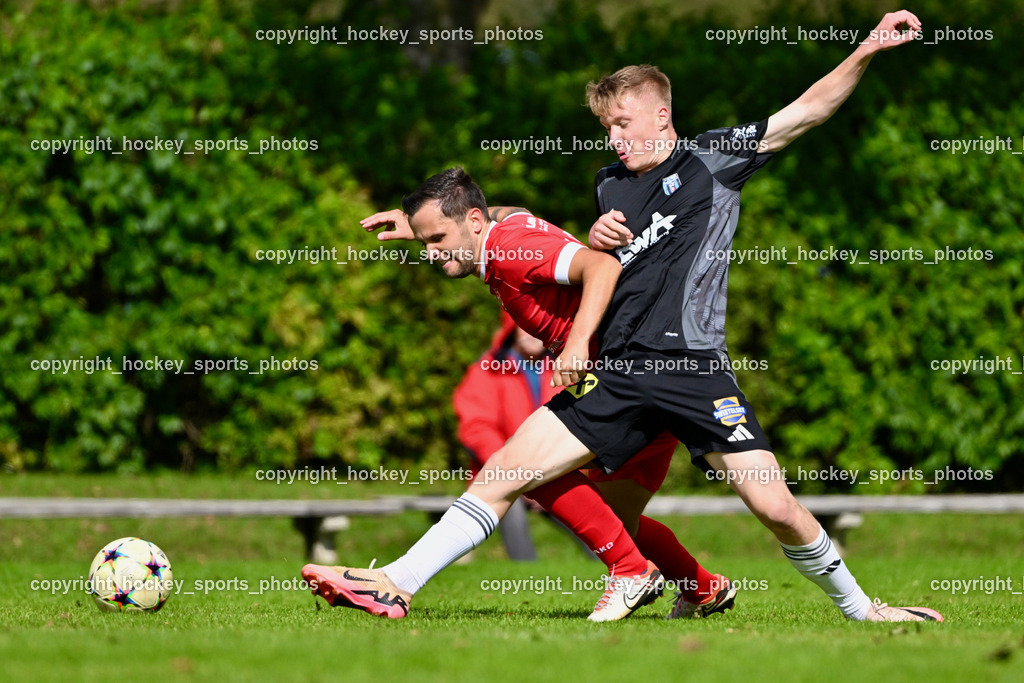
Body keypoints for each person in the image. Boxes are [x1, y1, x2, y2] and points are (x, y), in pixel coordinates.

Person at [304, 9, 941, 623]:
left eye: (623, 123)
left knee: (775, 508)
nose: (614, 138)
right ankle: (396, 584)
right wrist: (428, 227)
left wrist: (867, 49)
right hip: (620, 370)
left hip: (692, 368)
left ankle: (863, 609)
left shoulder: (712, 160)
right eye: (607, 126)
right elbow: (508, 223)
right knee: (511, 473)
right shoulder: (610, 183)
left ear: (662, 116)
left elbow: (808, 111)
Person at [305, 181, 732, 621]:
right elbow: (505, 210)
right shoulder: (504, 228)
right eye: (426, 241)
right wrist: (423, 226)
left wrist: (577, 343)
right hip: (652, 380)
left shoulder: (510, 249)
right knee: (616, 519)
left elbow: (602, 266)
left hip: (622, 379)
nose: (430, 252)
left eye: (438, 238)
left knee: (517, 469)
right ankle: (702, 588)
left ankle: (397, 583)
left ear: (474, 221)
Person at [453, 317, 554, 561]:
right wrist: (517, 476)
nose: (532, 334)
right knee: (507, 504)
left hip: (554, 473)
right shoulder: (488, 368)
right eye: (525, 326)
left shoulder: (566, 366)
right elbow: (476, 429)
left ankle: (617, 569)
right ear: (512, 329)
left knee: (592, 517)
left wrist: (549, 476)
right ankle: (527, 574)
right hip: (500, 475)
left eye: (539, 327)